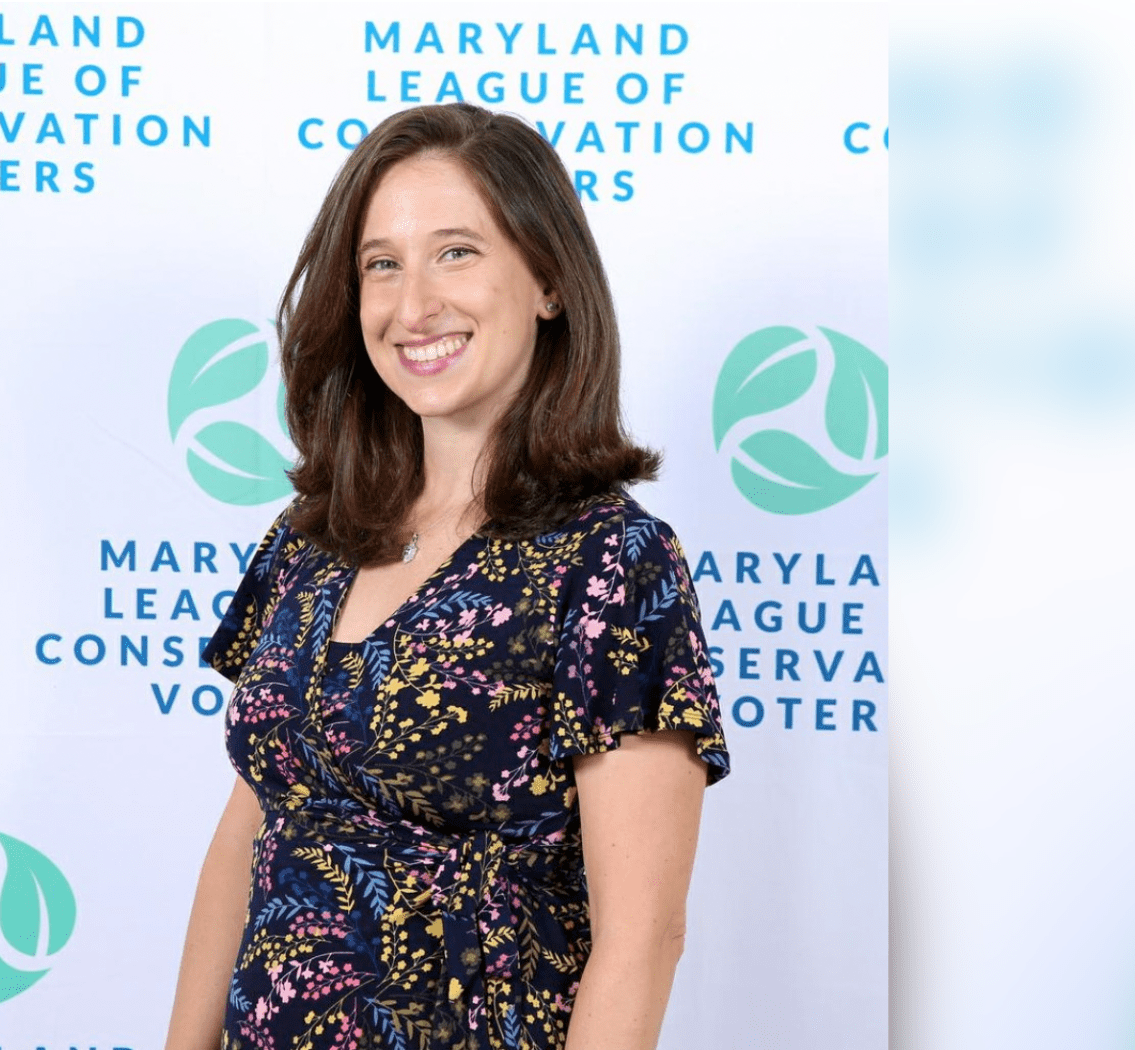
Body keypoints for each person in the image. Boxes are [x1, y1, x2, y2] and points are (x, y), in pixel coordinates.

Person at [163, 103, 731, 1050]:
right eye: (382, 263)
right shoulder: (310, 543)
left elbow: (642, 939)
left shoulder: (608, 565)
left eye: (456, 252)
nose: (412, 305)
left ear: (548, 280)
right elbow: (251, 835)